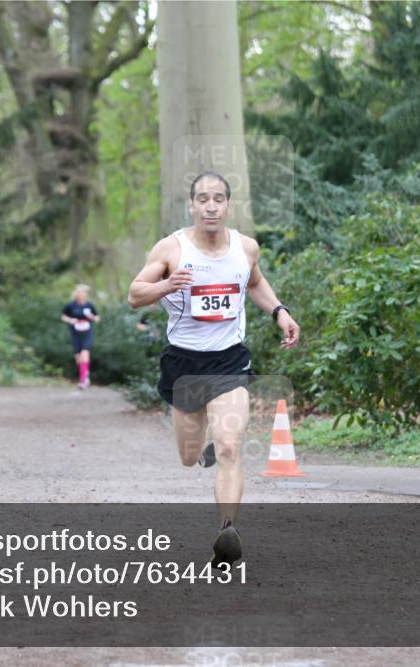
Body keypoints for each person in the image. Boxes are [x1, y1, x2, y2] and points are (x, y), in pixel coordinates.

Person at [128, 171, 300, 566]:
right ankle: (201, 446)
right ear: (192, 205)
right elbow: (135, 294)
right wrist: (165, 287)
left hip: (229, 361)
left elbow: (254, 282)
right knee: (189, 456)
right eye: (202, 199)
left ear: (228, 205)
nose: (210, 206)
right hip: (184, 365)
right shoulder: (171, 249)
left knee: (229, 444)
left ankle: (227, 532)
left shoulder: (246, 247)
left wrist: (279, 311)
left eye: (218, 198)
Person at [61, 284, 101, 390]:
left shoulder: (90, 306)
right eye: (79, 292)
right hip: (75, 334)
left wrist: (91, 317)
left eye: (83, 292)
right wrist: (70, 320)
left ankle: (83, 381)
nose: (81, 294)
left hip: (87, 334)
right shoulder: (71, 306)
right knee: (78, 359)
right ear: (76, 294)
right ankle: (85, 374)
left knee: (85, 353)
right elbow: (63, 316)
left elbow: (97, 319)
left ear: (86, 294)